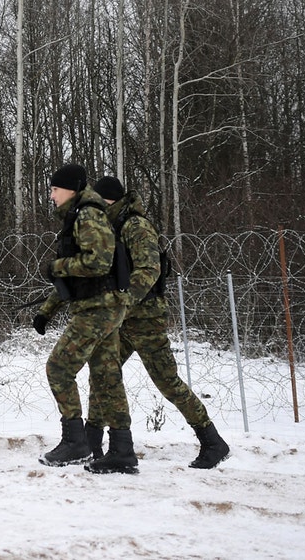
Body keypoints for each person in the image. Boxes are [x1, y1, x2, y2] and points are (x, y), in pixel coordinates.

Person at [87, 176, 230, 469]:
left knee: (167, 382)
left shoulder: (136, 226)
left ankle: (213, 442)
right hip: (122, 319)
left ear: (109, 200)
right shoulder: (110, 228)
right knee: (102, 373)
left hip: (145, 319)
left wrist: (122, 299)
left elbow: (149, 270)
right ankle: (91, 443)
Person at [31, 164, 135, 473]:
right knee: (107, 377)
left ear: (71, 190)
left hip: (98, 308)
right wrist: (46, 311)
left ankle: (76, 443)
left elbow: (98, 262)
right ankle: (122, 450)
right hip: (103, 306)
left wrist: (58, 267)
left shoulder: (87, 214)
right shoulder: (81, 214)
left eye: (54, 189)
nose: (51, 195)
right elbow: (81, 279)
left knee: (59, 367)